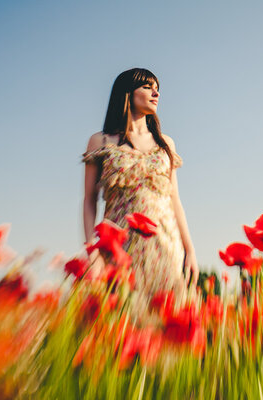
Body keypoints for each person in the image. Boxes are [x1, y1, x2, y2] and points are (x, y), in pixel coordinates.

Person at [82, 68, 198, 305]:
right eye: (147, 87)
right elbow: (89, 200)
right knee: (121, 316)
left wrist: (190, 249)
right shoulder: (101, 141)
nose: (156, 93)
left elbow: (175, 200)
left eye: (157, 88)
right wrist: (91, 251)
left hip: (166, 244)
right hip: (119, 245)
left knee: (165, 316)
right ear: (127, 93)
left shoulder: (166, 143)